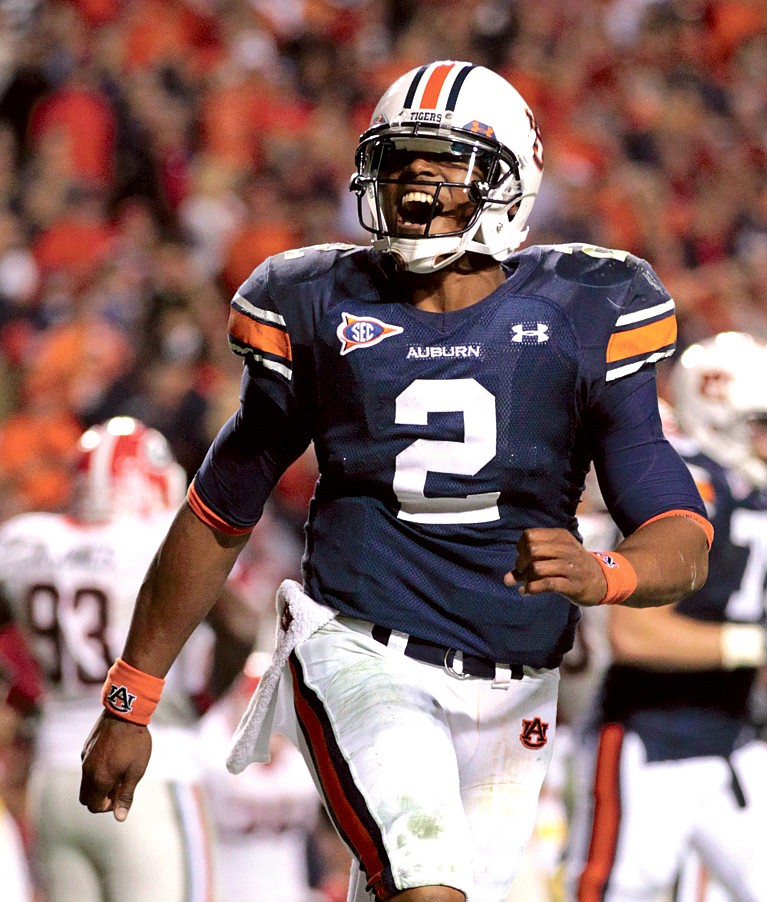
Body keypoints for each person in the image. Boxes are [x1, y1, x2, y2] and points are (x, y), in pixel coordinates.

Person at [79, 61, 712, 902]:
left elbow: (679, 530)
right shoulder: (313, 303)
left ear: (508, 180)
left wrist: (608, 574)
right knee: (425, 886)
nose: (416, 178)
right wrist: (131, 697)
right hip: (359, 648)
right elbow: (216, 512)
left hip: (516, 685)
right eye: (400, 159)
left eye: (444, 161)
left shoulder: (585, 309)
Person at [0, 416, 256, 902]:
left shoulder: (25, 541)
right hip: (152, 767)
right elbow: (242, 626)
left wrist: (22, 694)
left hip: (53, 776)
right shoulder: (159, 536)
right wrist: (200, 699)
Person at [565, 331, 767, 901]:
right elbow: (634, 630)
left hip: (733, 739)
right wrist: (753, 647)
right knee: (620, 889)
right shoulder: (694, 487)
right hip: (650, 739)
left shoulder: (751, 492)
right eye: (760, 425)